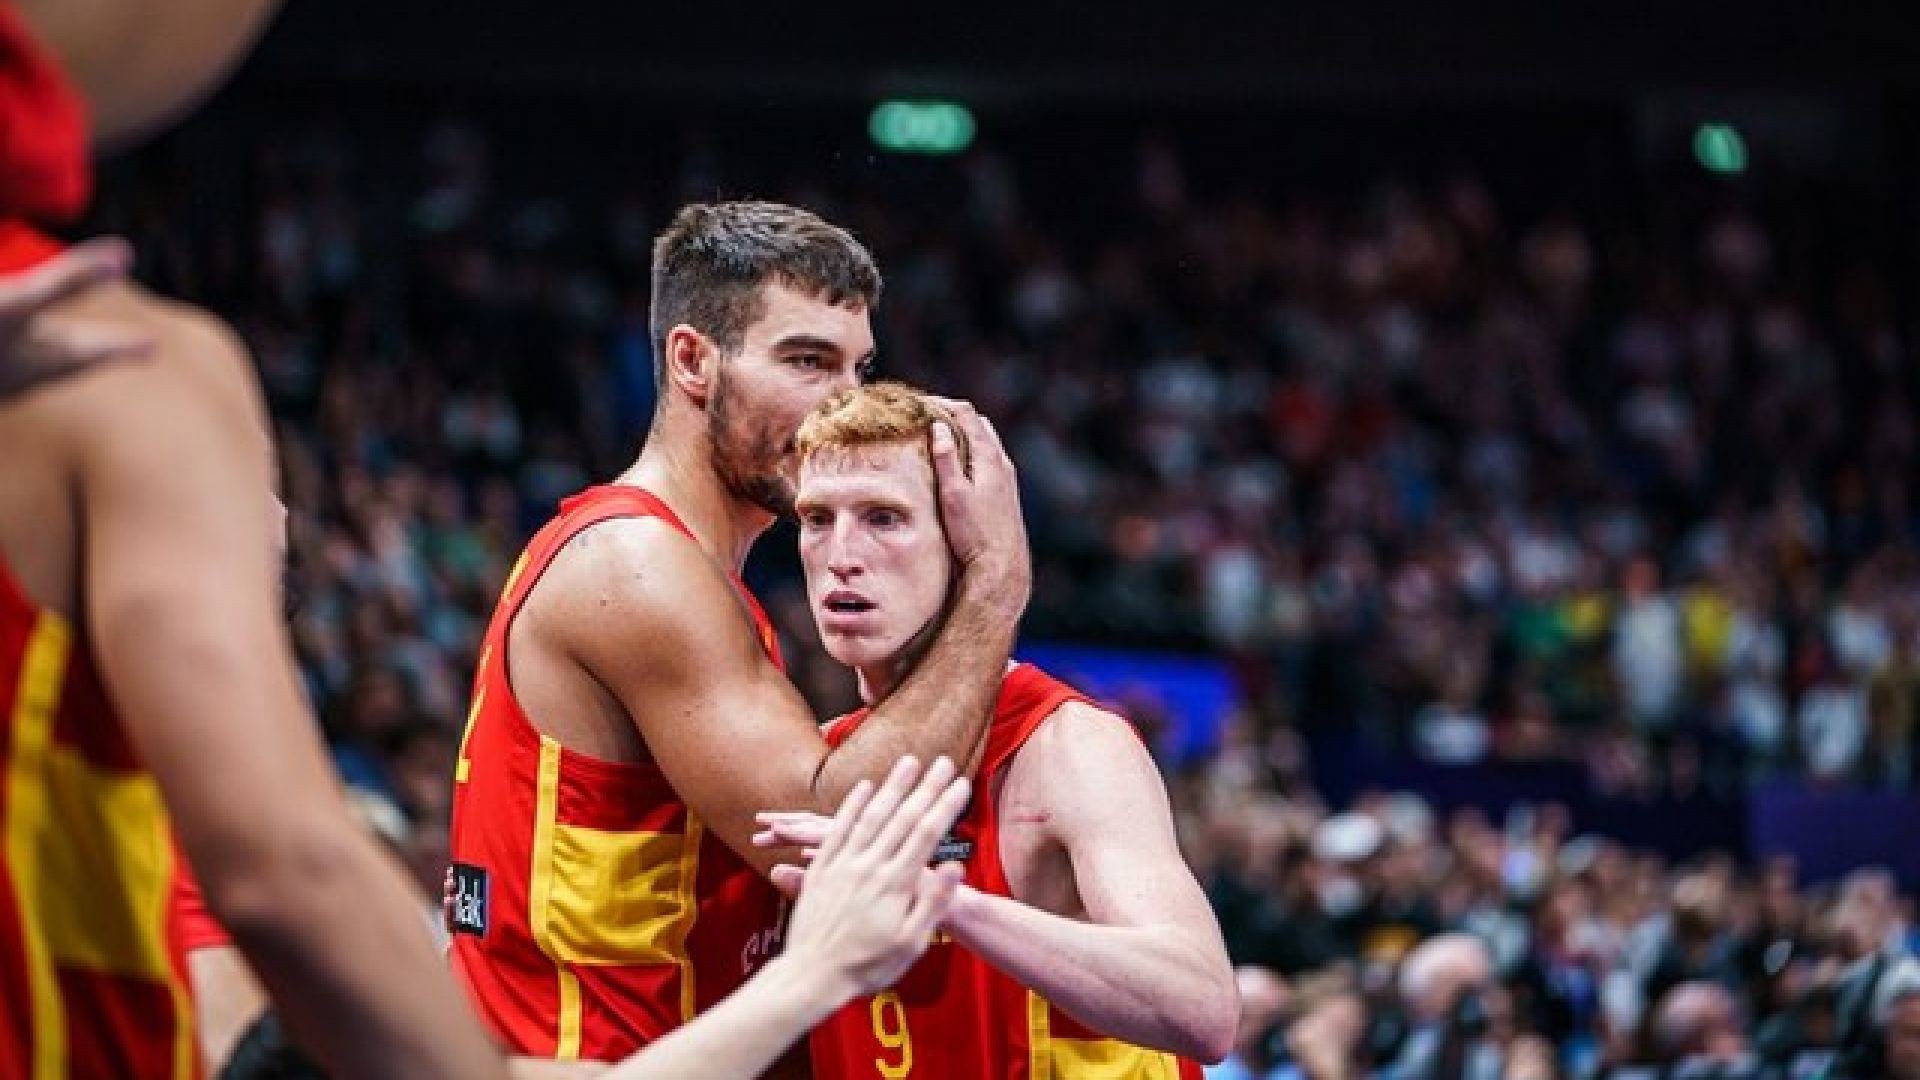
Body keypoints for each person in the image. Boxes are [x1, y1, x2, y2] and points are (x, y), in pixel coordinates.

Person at [447, 201, 1030, 1066]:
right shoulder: (636, 564)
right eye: (807, 362)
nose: (845, 402)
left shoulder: (688, 572)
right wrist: (997, 582)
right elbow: (835, 831)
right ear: (693, 361)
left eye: (859, 368)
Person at [754, 382, 1236, 1077]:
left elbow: (1202, 1006)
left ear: (966, 540)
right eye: (817, 519)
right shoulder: (824, 762)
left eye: (884, 518)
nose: (841, 554)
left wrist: (944, 902)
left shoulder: (1068, 744)